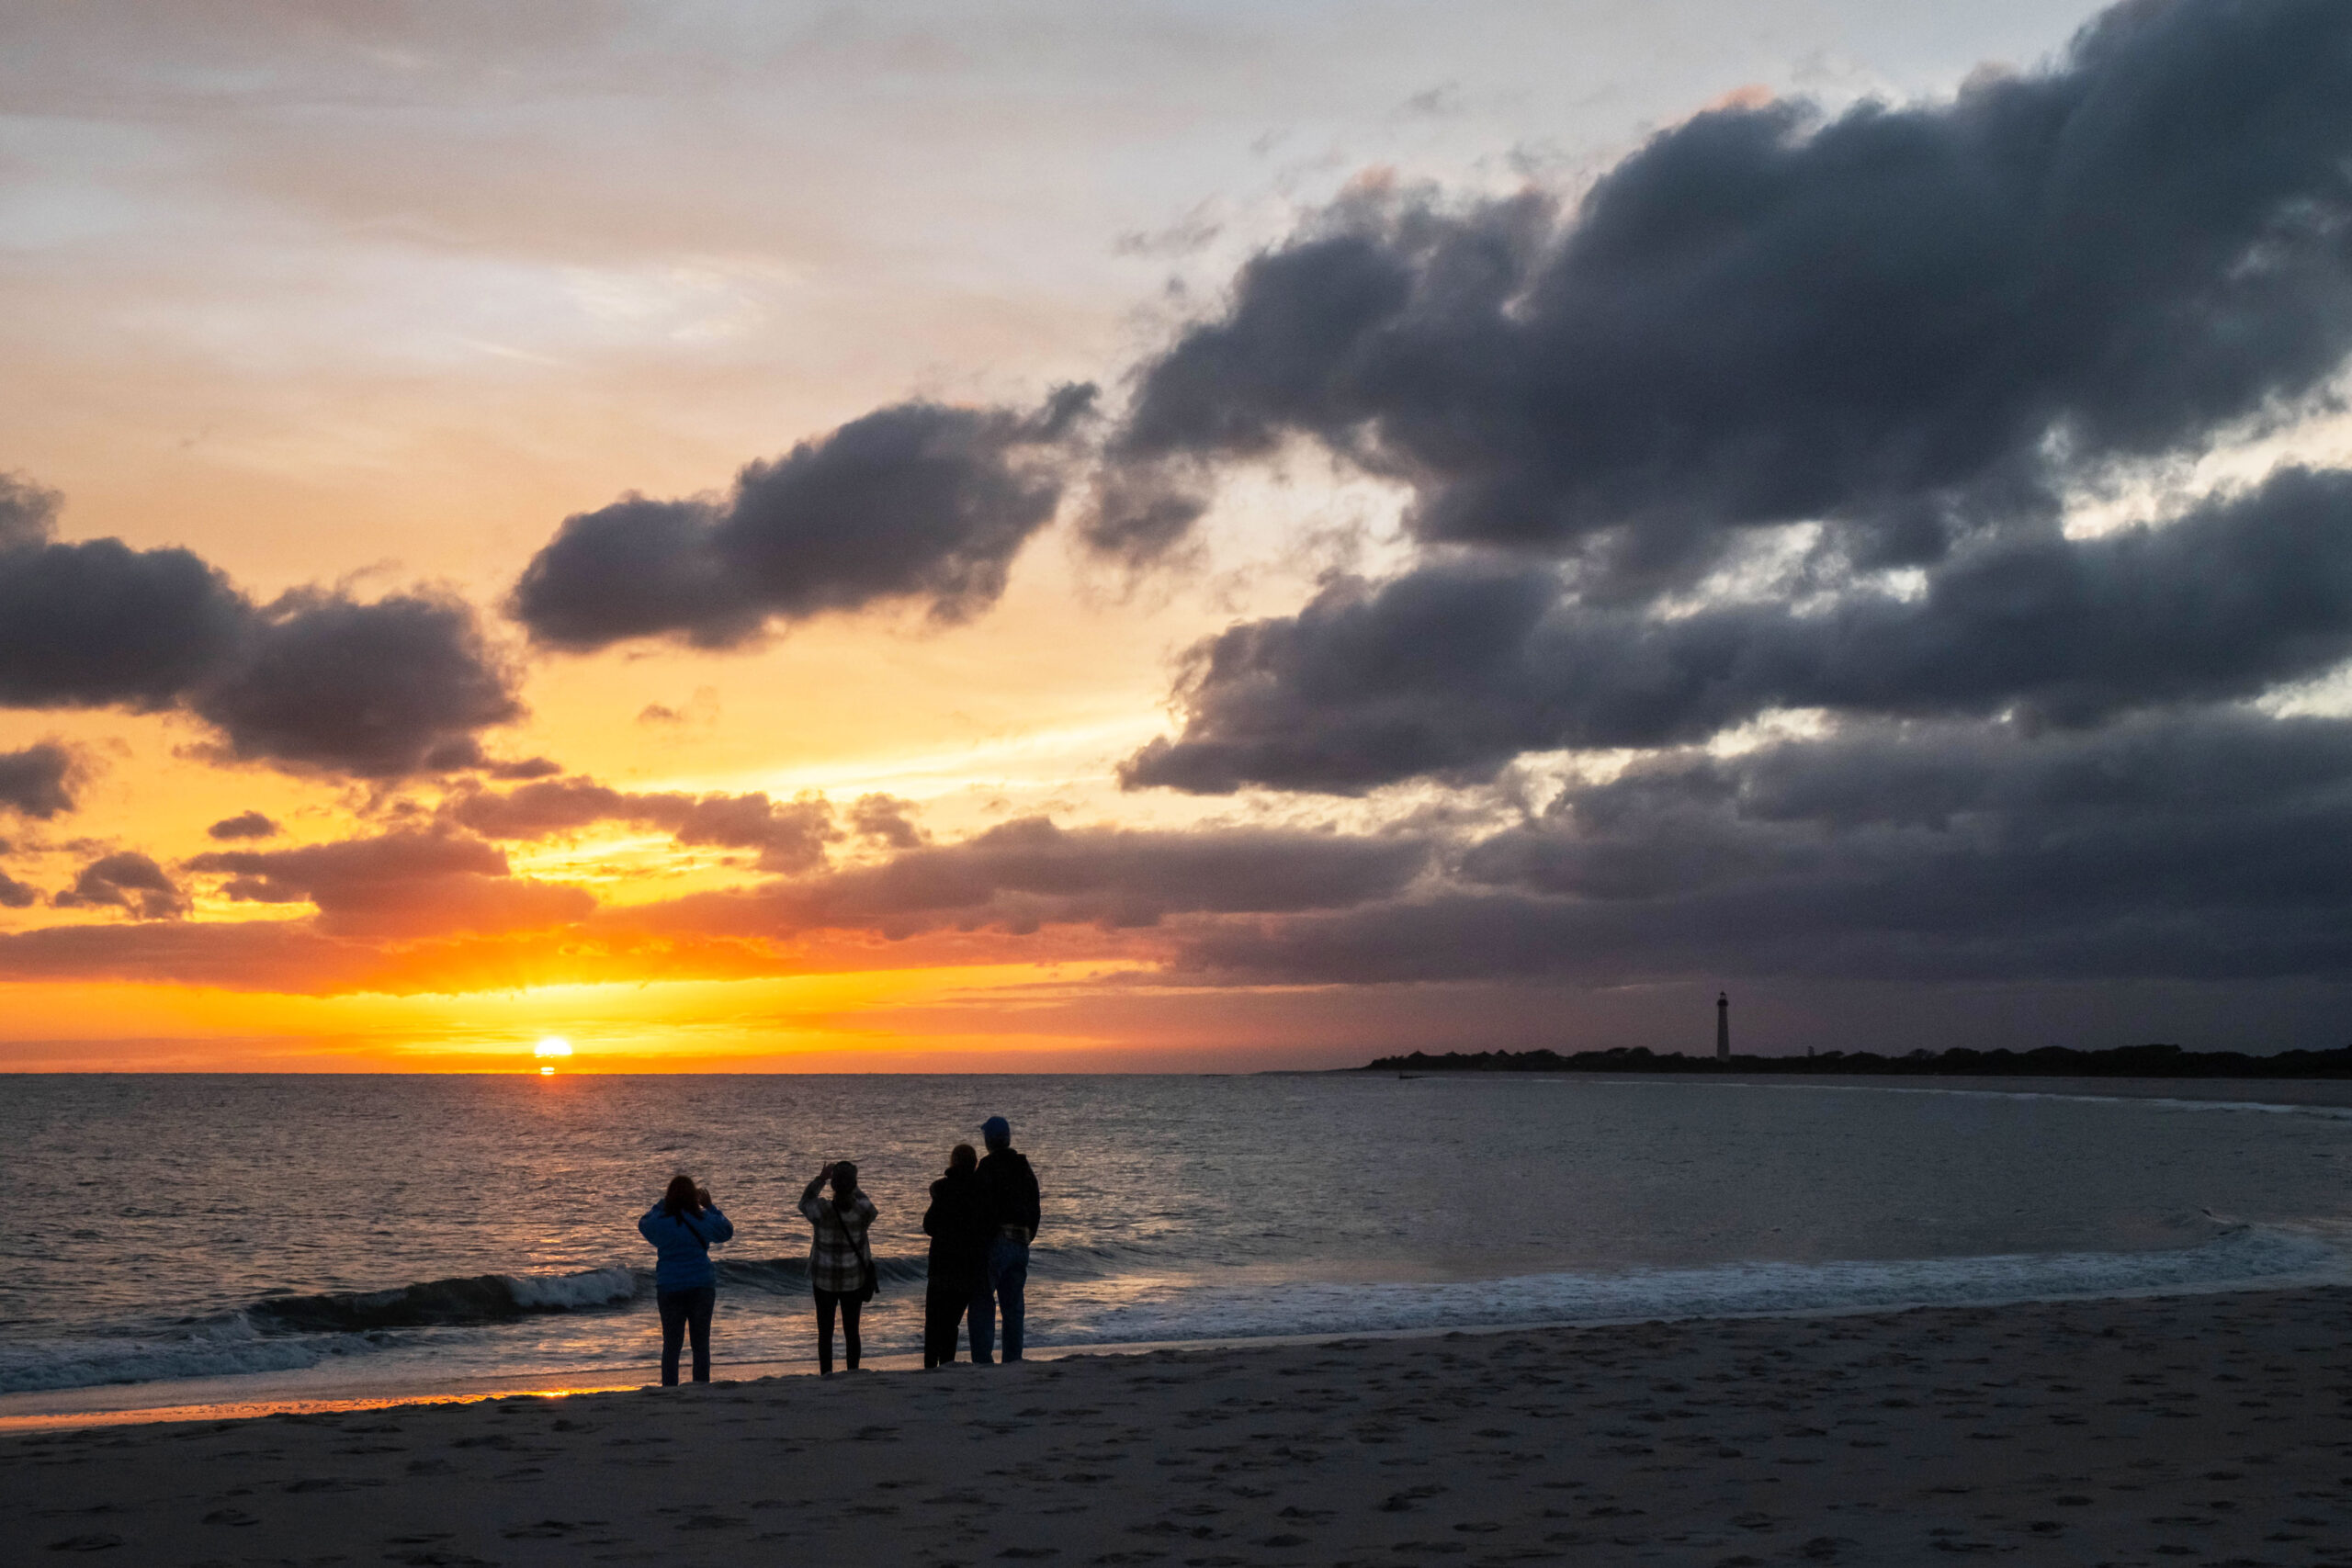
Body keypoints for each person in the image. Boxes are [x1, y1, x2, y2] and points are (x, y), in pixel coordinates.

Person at [637, 1172, 734, 1386]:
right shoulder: (703, 1218)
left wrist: (663, 1203)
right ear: (694, 1197)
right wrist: (710, 1206)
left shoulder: (661, 1220)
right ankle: (701, 1386)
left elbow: (643, 1223)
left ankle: (670, 1388)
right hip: (701, 1284)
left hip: (670, 1285)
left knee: (671, 1345)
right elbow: (727, 1231)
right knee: (700, 1344)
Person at [971, 1114, 1041, 1364]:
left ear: (989, 1141)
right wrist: (1027, 1236)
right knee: (1013, 1305)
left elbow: (980, 1208)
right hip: (1021, 1241)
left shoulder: (988, 1168)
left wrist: (983, 1240)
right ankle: (1013, 1358)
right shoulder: (1023, 1167)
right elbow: (1035, 1205)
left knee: (982, 1300)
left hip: (997, 1241)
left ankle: (982, 1359)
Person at [799, 1160, 876, 1374]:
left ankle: (826, 1374)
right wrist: (853, 1185)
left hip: (824, 1280)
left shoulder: (822, 1210)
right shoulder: (862, 1211)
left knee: (825, 1332)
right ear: (854, 1184)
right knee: (852, 1331)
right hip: (853, 1279)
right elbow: (868, 1205)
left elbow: (804, 1201)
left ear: (833, 1186)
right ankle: (853, 1371)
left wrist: (821, 1178)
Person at [921, 1143, 989, 1367]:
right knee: (951, 1323)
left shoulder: (943, 1189)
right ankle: (947, 1364)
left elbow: (929, 1226)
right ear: (975, 1163)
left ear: (953, 1162)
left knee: (933, 1322)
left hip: (942, 1263)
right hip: (968, 1265)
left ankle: (930, 1366)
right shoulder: (981, 1190)